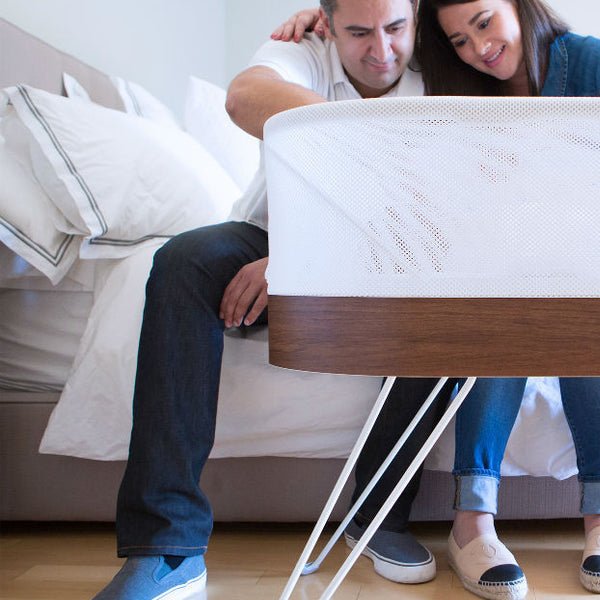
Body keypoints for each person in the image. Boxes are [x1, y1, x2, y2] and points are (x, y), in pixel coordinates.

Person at [90, 2, 455, 599]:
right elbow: (243, 98)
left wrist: (302, 256)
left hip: (389, 255)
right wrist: (293, 241)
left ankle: (377, 513)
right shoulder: (302, 52)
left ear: (416, 15)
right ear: (327, 24)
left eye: (395, 29)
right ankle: (169, 549)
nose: (382, 51)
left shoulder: (445, 65)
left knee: (450, 295)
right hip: (265, 234)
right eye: (358, 32)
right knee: (181, 263)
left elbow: (429, 217)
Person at [418, 2, 600, 599]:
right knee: (506, 303)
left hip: (595, 265)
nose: (477, 49)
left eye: (483, 22)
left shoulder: (596, 68)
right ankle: (472, 522)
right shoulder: (461, 93)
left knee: (580, 302)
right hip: (504, 269)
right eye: (457, 40)